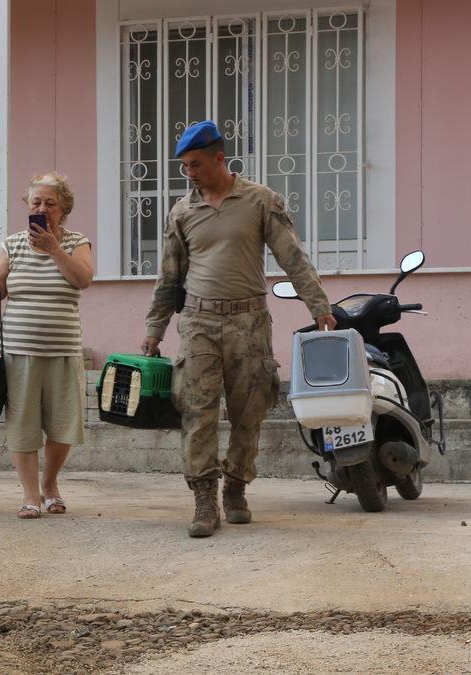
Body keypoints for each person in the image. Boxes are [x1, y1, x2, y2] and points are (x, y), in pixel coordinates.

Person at [140, 120, 335, 538]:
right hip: (198, 323)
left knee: (250, 412)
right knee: (198, 412)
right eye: (184, 166)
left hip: (249, 322)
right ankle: (204, 499)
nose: (189, 173)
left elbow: (293, 258)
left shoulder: (260, 200)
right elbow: (169, 276)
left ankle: (236, 487)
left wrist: (319, 306)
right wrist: (155, 329)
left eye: (196, 164)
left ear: (219, 158)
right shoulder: (182, 212)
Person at [0, 173, 93, 519]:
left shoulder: (77, 242)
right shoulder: (13, 244)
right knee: (22, 424)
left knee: (62, 425)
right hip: (18, 352)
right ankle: (30, 494)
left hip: (63, 349)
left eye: (50, 203)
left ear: (63, 209)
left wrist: (54, 249)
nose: (42, 208)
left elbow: (83, 278)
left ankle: (50, 485)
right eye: (36, 202)